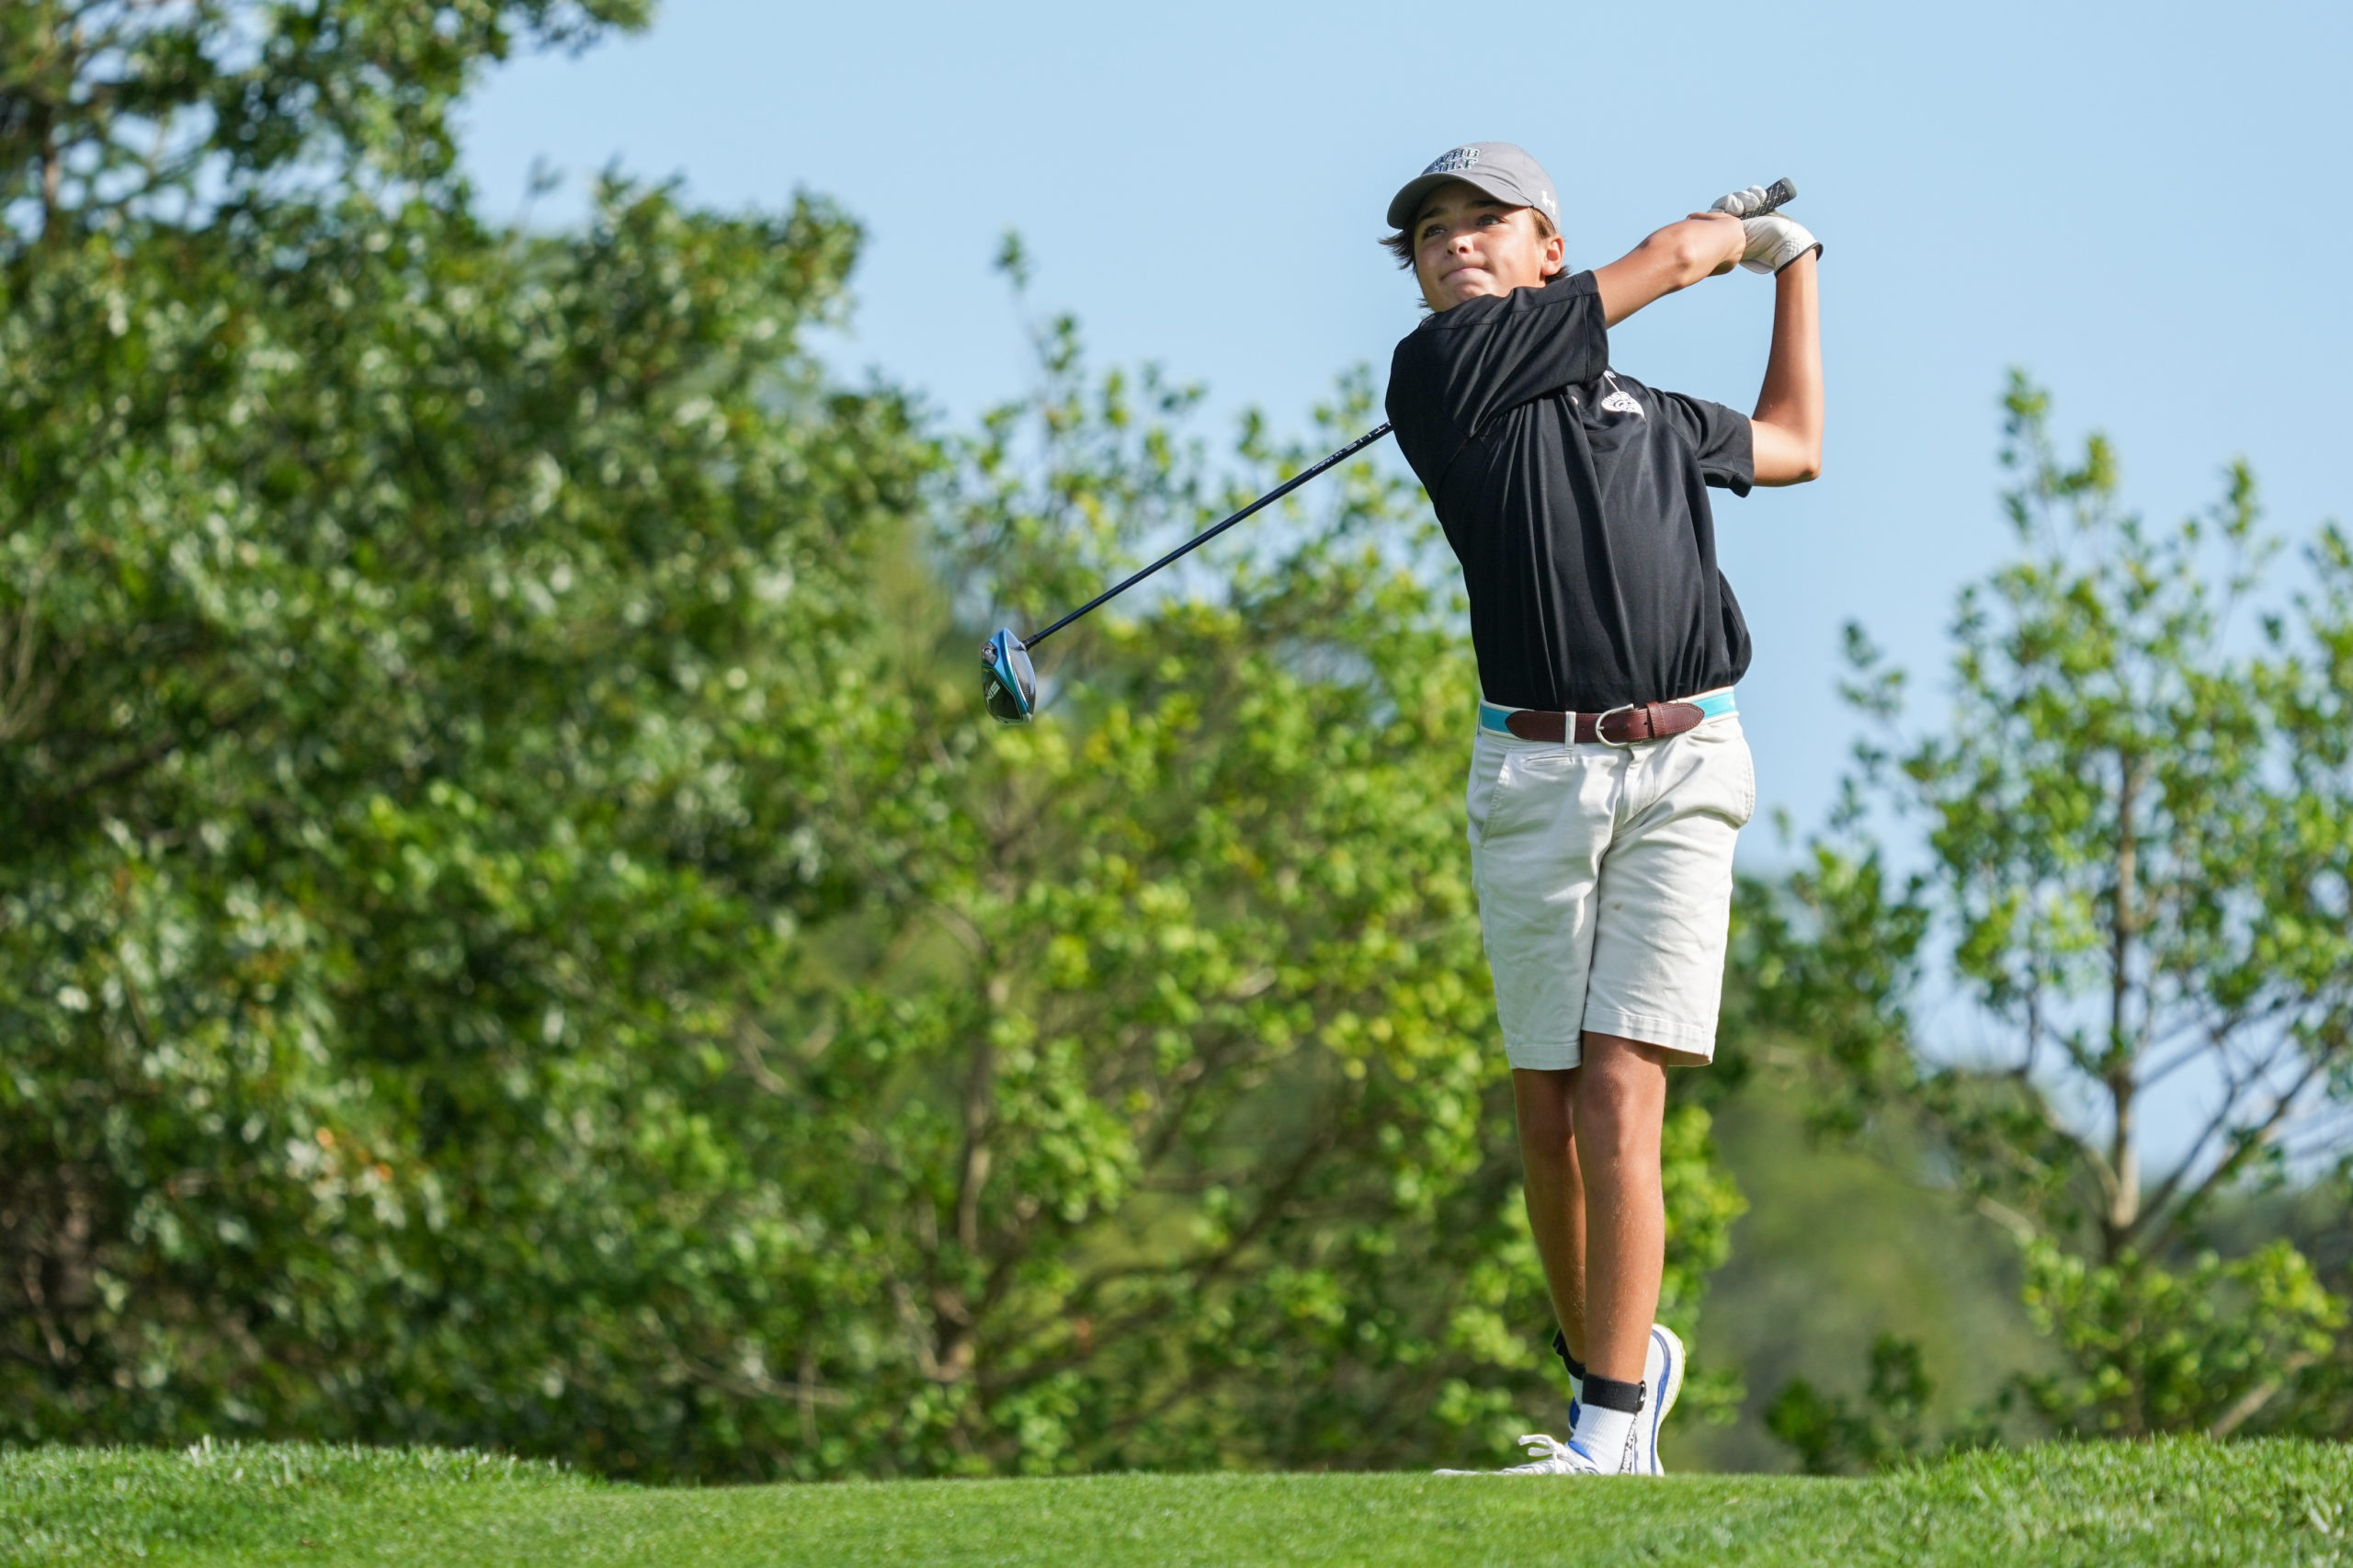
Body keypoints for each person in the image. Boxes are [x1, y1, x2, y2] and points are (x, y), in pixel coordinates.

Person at [1381, 143, 1823, 1476]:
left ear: (1547, 250)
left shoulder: (1649, 410)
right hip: (1532, 774)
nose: (1455, 242)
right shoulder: (1441, 376)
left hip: (1687, 761)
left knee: (1619, 1089)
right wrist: (1722, 240)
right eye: (1430, 233)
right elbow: (1680, 260)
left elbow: (1797, 445)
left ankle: (1609, 1429)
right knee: (1547, 1101)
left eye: (1485, 221)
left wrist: (1798, 267)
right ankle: (1612, 1370)